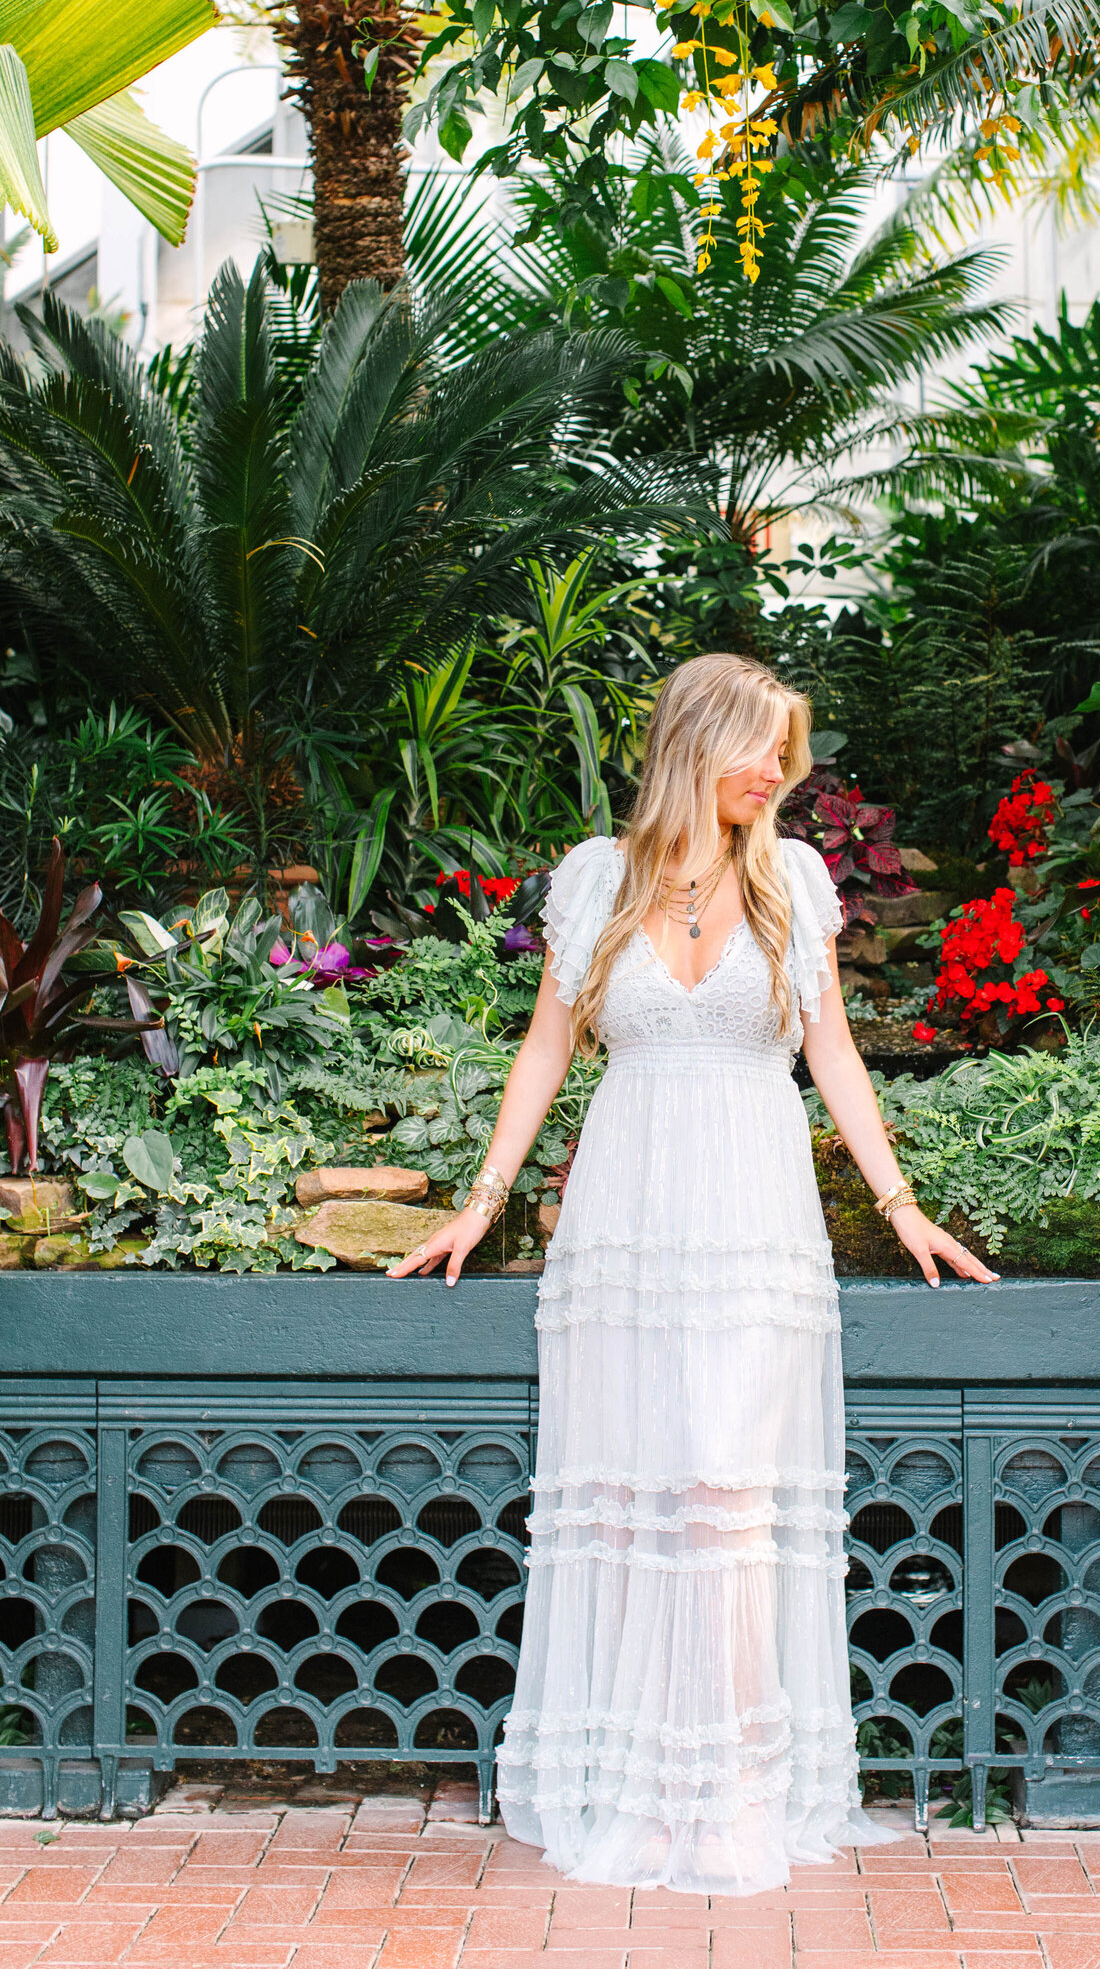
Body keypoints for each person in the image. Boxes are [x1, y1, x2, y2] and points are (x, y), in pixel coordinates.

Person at [387, 653, 995, 1893]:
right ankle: (634, 1780)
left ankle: (729, 1791)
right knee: (637, 1484)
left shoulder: (796, 880)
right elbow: (547, 1050)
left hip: (753, 1219)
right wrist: (483, 1202)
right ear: (692, 742)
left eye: (788, 749)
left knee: (727, 1487)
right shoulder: (593, 880)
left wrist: (901, 1206)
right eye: (760, 745)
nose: (782, 770)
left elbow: (832, 1056)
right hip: (623, 1219)